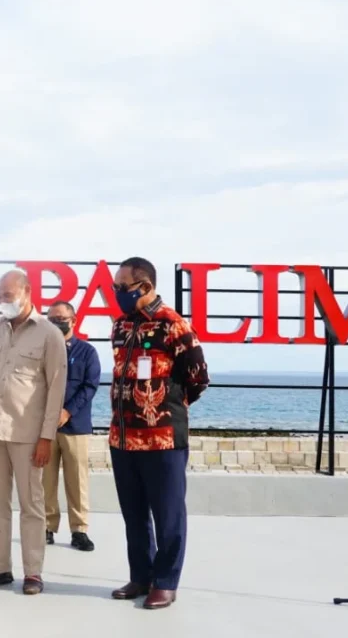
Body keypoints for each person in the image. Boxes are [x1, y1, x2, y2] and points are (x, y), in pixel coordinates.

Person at [108, 256, 209, 610]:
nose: (117, 293)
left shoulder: (173, 325)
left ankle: (165, 582)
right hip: (122, 438)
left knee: (168, 515)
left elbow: (198, 378)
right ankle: (141, 575)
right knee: (134, 515)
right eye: (115, 287)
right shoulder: (120, 326)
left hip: (162, 439)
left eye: (123, 287)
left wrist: (165, 408)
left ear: (146, 286)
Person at [0, 270, 68, 595]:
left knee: (31, 505)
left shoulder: (49, 335)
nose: (2, 302)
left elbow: (56, 389)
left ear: (27, 292)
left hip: (28, 436)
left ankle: (33, 573)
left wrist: (46, 437)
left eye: (7, 296)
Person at [43, 301, 100, 552]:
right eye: (52, 319)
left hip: (75, 426)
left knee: (77, 481)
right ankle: (46, 527)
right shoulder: (41, 350)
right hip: (45, 427)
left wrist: (67, 411)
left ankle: (79, 530)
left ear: (74, 321)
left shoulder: (87, 352)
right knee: (45, 481)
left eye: (61, 319)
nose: (57, 323)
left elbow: (90, 386)